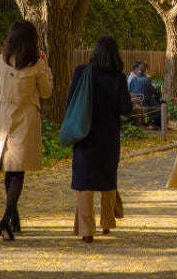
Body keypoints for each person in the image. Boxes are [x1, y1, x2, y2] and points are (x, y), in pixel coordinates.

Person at [0, 20, 53, 241]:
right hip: (25, 119)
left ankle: (13, 217)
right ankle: (6, 218)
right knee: (17, 171)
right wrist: (46, 66)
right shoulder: (36, 64)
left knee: (10, 169)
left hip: (3, 118)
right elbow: (46, 92)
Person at [68, 36, 133, 243]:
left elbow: (71, 101)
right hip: (109, 135)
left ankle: (87, 230)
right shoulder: (118, 78)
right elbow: (126, 110)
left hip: (84, 132)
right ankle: (107, 223)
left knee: (84, 181)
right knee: (107, 178)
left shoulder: (82, 72)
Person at [128, 62, 162, 128]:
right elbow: (153, 93)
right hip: (145, 103)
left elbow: (131, 92)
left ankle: (148, 123)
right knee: (160, 108)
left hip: (136, 103)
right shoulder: (147, 80)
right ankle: (151, 123)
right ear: (146, 70)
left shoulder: (133, 80)